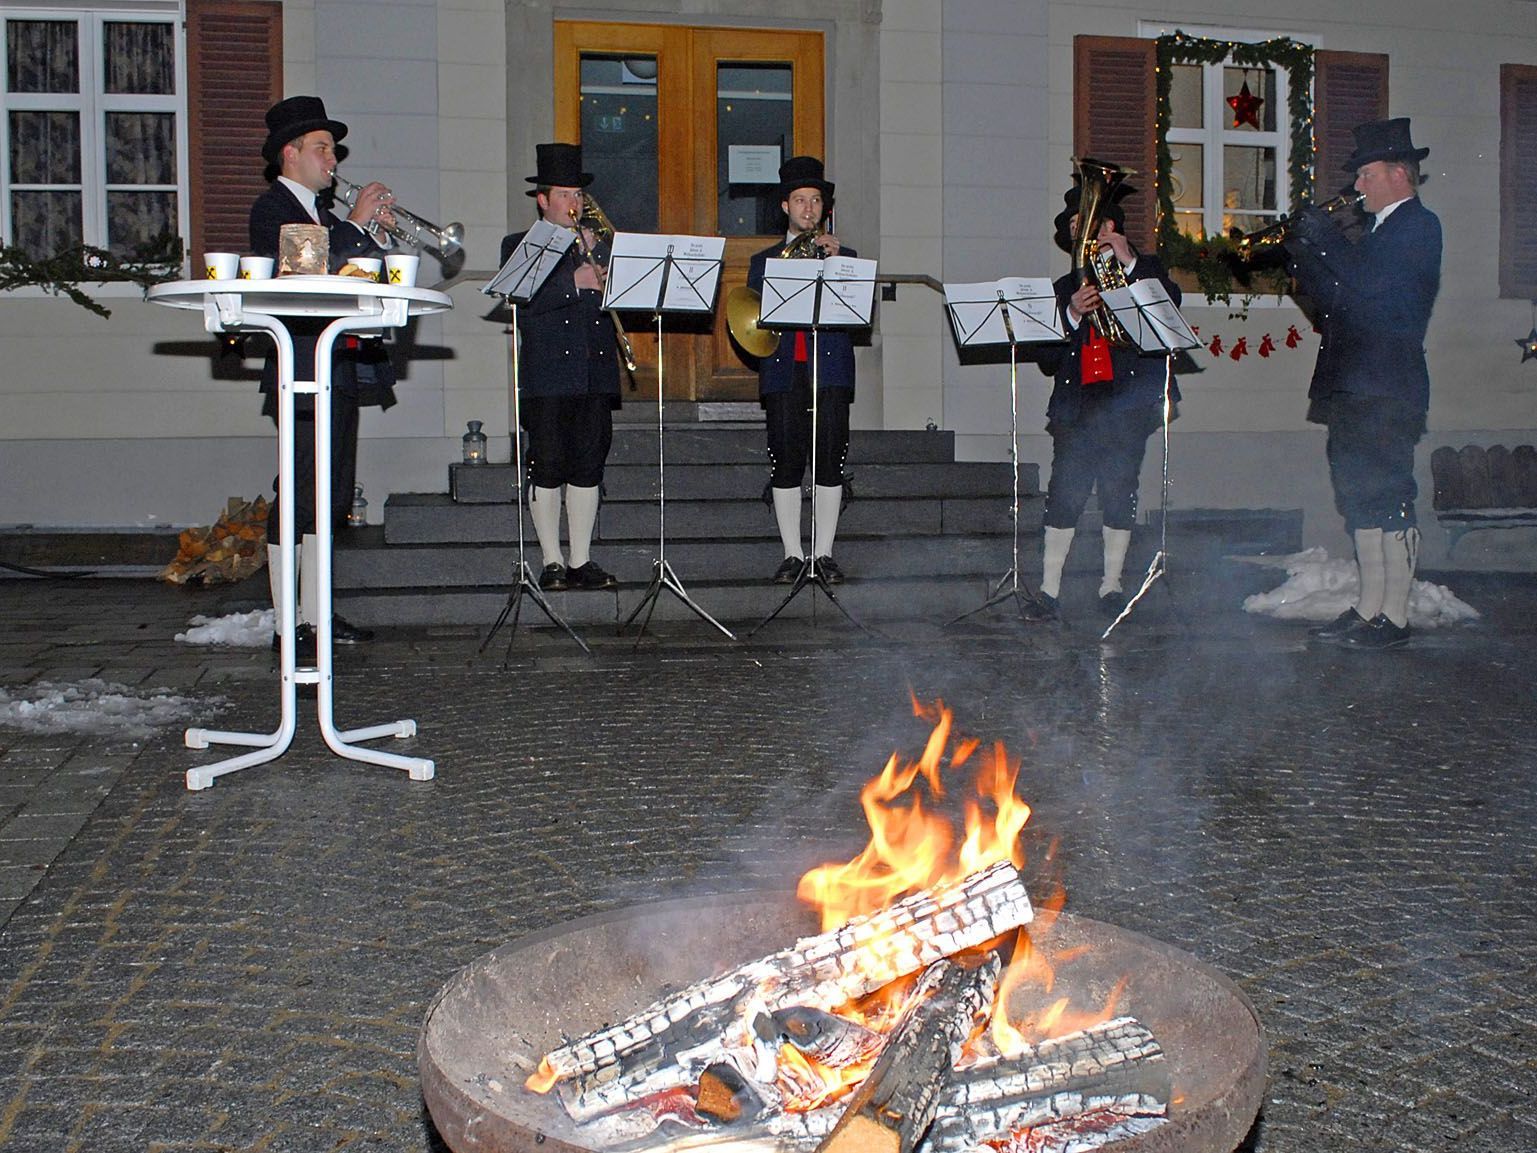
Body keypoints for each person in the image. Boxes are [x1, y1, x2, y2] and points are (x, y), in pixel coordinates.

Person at [1285, 118, 1442, 651]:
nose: (1358, 187)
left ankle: (1393, 617)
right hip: (1354, 385)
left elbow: (1372, 288)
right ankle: (1370, 606)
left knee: (1388, 495)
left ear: (1399, 174)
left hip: (1386, 387)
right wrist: (1302, 253)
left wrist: (1324, 239)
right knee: (1360, 499)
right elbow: (1339, 305)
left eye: (1367, 175)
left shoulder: (1419, 227)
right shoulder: (1376, 233)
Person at [250, 95, 398, 649]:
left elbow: (355, 281)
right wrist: (357, 226)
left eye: (332, 150)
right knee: (300, 491)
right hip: (301, 366)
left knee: (331, 495)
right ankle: (289, 621)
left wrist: (374, 238)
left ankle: (316, 615)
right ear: (290, 154)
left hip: (338, 365)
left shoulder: (325, 217)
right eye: (322, 149)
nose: (332, 160)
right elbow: (304, 276)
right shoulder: (271, 209)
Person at [1025, 172, 1181, 622]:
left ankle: (1112, 586)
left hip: (1128, 403)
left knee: (1120, 490)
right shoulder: (1062, 287)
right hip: (1079, 405)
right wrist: (1072, 311)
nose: (1079, 232)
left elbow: (1169, 306)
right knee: (1065, 493)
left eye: (1087, 223)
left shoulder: (1142, 272)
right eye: (1073, 226)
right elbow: (1046, 356)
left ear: (1109, 229)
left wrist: (1129, 262)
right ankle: (1049, 591)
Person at [499, 142, 621, 592]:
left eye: (578, 195)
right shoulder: (519, 245)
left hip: (594, 371)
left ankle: (580, 559)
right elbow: (520, 304)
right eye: (565, 195)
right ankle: (551, 560)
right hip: (547, 374)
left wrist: (601, 261)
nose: (574, 203)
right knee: (547, 464)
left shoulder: (600, 243)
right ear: (543, 199)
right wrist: (576, 279)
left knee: (589, 464)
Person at [746, 156, 857, 585]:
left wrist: (835, 264)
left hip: (829, 371)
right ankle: (793, 554)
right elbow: (755, 314)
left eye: (815, 201)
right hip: (784, 369)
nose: (809, 209)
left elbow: (856, 314)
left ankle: (824, 554)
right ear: (785, 207)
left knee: (830, 459)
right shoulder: (763, 260)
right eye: (800, 200)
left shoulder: (844, 257)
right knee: (786, 460)